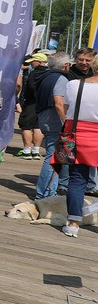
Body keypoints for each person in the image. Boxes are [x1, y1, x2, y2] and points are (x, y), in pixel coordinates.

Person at [61, 69, 98, 236]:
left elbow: (67, 110)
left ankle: (73, 224)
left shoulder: (74, 85)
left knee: (77, 179)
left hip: (77, 134)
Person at [33, 52, 72, 201]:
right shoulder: (60, 79)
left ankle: (45, 191)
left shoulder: (45, 76)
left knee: (53, 155)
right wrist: (66, 122)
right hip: (55, 121)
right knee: (54, 157)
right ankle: (45, 194)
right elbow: (58, 102)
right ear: (65, 65)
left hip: (44, 118)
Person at [16, 54, 48, 159]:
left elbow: (30, 87)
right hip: (43, 104)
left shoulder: (34, 73)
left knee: (26, 125)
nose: (30, 63)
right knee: (38, 126)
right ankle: (36, 150)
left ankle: (27, 150)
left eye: (32, 61)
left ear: (39, 62)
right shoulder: (49, 73)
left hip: (31, 103)